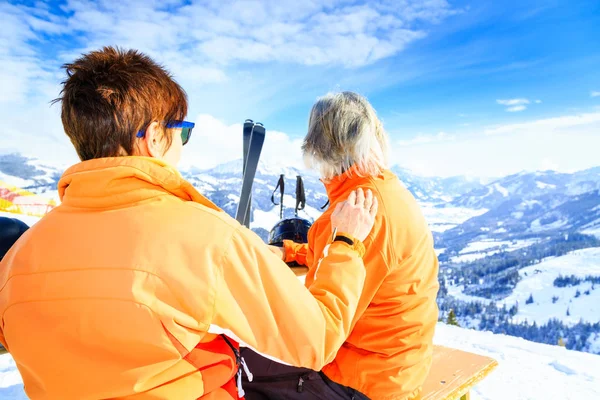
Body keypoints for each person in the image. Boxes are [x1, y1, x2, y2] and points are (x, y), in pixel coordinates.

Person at [0, 47, 379, 400]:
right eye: (183, 130)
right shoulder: (208, 239)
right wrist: (346, 243)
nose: (183, 142)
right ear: (153, 138)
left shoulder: (17, 259)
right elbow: (316, 339)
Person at [241, 91, 440, 400]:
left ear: (319, 144)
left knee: (238, 366)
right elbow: (337, 257)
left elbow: (318, 333)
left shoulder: (365, 210)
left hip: (365, 381)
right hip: (386, 364)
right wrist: (287, 252)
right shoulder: (370, 191)